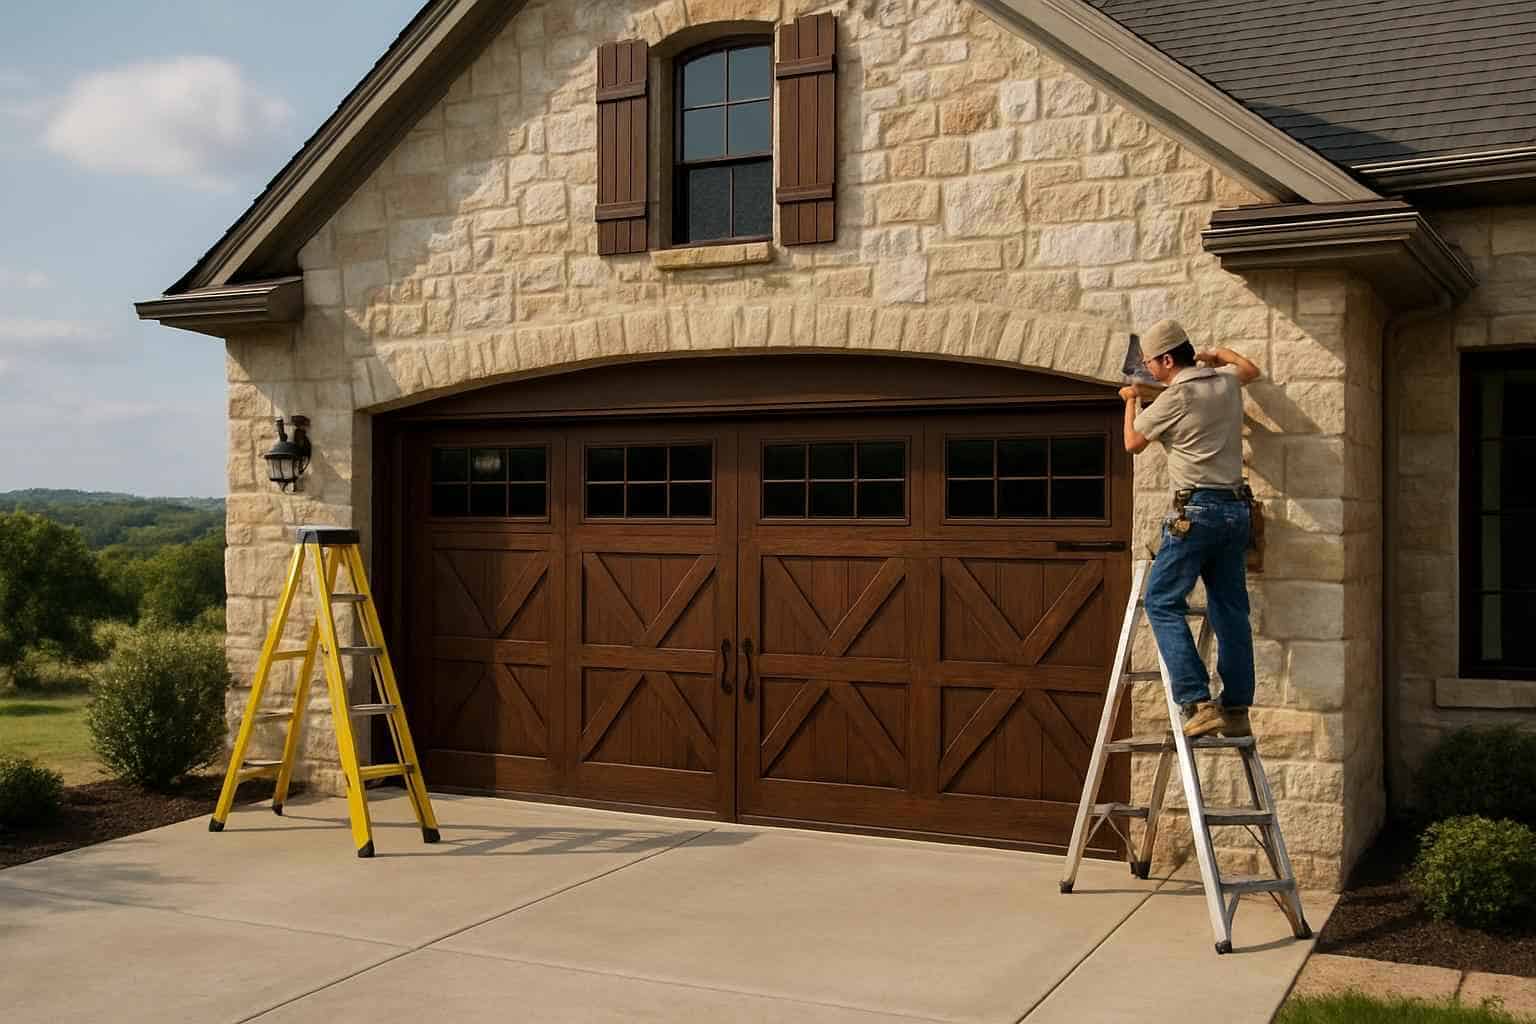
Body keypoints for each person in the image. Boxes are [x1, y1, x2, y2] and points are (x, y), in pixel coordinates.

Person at [1118, 319, 1262, 739]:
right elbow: (1249, 369)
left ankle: (1196, 700)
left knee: (1161, 601)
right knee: (1231, 610)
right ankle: (1235, 708)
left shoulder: (1177, 395)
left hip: (1195, 513)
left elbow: (1132, 442)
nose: (1148, 369)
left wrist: (1130, 400)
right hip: (1236, 513)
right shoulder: (1224, 382)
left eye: (1150, 363)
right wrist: (1217, 355)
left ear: (1166, 358)